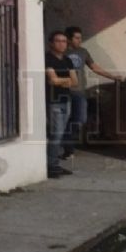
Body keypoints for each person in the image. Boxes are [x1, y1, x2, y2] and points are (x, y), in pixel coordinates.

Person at [63, 27, 122, 159]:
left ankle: (68, 141)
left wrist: (112, 76)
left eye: (80, 37)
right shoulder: (62, 52)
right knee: (64, 120)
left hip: (79, 91)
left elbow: (94, 67)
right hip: (64, 91)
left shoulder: (83, 52)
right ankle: (68, 149)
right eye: (76, 38)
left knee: (80, 119)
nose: (80, 40)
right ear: (69, 39)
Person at [46, 31, 78, 178]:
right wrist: (66, 81)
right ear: (51, 43)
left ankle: (55, 164)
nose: (62, 44)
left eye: (64, 41)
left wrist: (62, 81)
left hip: (67, 100)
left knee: (61, 134)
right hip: (54, 101)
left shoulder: (67, 60)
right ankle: (51, 166)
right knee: (56, 135)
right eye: (58, 41)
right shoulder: (48, 59)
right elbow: (52, 80)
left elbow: (75, 82)